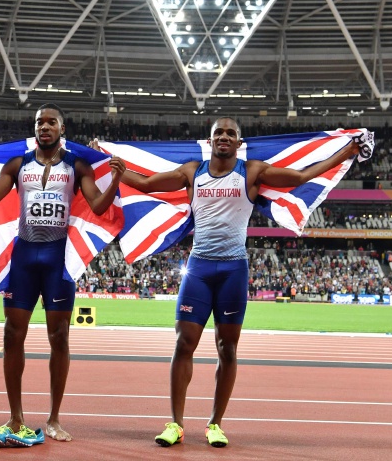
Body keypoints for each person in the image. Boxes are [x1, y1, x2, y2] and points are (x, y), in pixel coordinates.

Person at [107, 117, 360, 448]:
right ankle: (176, 423)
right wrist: (108, 164)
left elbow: (300, 177)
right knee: (184, 343)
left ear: (239, 143)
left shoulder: (252, 171)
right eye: (218, 133)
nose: (224, 137)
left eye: (230, 133)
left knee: (227, 349)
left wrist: (345, 153)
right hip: (198, 269)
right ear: (209, 141)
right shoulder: (191, 172)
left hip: (233, 270)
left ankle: (215, 424)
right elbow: (146, 183)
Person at [0, 103, 124, 447]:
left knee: (60, 338)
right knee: (12, 335)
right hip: (24, 257)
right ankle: (16, 416)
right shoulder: (18, 164)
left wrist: (115, 180)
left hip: (57, 259)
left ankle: (54, 418)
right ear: (35, 128)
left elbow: (99, 207)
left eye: (52, 122)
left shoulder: (76, 166)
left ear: (62, 129)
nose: (45, 127)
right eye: (40, 122)